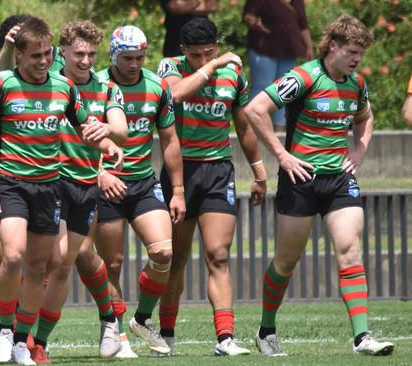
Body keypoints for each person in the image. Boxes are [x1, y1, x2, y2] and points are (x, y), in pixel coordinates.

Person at [0, 16, 123, 365]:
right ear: (20, 56)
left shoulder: (63, 87)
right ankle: (7, 329)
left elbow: (85, 124)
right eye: (35, 56)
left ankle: (23, 343)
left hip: (49, 186)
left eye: (46, 54)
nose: (42, 61)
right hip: (10, 183)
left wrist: (107, 147)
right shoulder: (1, 84)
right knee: (12, 256)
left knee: (40, 266)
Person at [244, 14, 394, 356]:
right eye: (352, 52)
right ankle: (266, 330)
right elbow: (255, 109)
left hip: (340, 181)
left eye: (361, 54)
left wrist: (359, 148)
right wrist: (282, 156)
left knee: (350, 250)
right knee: (285, 262)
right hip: (300, 180)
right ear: (333, 46)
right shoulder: (303, 77)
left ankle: (361, 338)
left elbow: (365, 117)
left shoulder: (355, 83)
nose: (357, 59)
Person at [156, 17, 267, 356]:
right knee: (175, 259)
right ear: (183, 51)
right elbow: (175, 93)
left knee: (218, 255)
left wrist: (259, 172)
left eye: (210, 52)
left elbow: (244, 125)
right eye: (196, 55)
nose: (203, 59)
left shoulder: (234, 75)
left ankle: (225, 338)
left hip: (218, 171)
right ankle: (166, 335)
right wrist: (215, 64)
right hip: (180, 172)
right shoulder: (170, 66)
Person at [29, 20, 128, 363]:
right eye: (79, 54)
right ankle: (27, 339)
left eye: (91, 54)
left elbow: (122, 129)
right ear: (64, 52)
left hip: (84, 184)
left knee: (68, 261)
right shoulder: (50, 82)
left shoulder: (105, 86)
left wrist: (107, 133)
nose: (85, 60)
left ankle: (107, 320)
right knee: (51, 261)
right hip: (50, 180)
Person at [94, 25, 185, 357]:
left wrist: (177, 190)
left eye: (140, 58)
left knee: (163, 253)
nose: (134, 64)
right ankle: (116, 334)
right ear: (114, 56)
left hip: (144, 182)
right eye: (127, 58)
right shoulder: (97, 84)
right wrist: (100, 172)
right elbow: (75, 136)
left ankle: (143, 318)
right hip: (104, 184)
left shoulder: (157, 87)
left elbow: (170, 141)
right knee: (112, 264)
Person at [242, 0, 314, 133]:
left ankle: (279, 134)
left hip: (288, 51)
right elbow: (248, 16)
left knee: (284, 91)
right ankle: (249, 131)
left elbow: (302, 24)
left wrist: (309, 46)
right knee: (261, 88)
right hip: (263, 49)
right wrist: (254, 22)